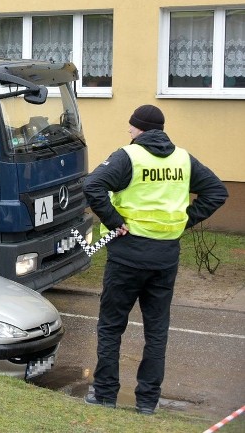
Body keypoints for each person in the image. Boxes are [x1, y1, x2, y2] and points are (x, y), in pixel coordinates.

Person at [83, 104, 227, 415]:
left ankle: (105, 394)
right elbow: (217, 191)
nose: (129, 131)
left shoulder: (128, 156)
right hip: (165, 258)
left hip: (127, 256)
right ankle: (147, 403)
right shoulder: (182, 159)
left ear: (139, 129)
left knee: (111, 326)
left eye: (131, 127)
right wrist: (183, 221)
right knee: (157, 332)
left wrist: (113, 220)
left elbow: (92, 185)